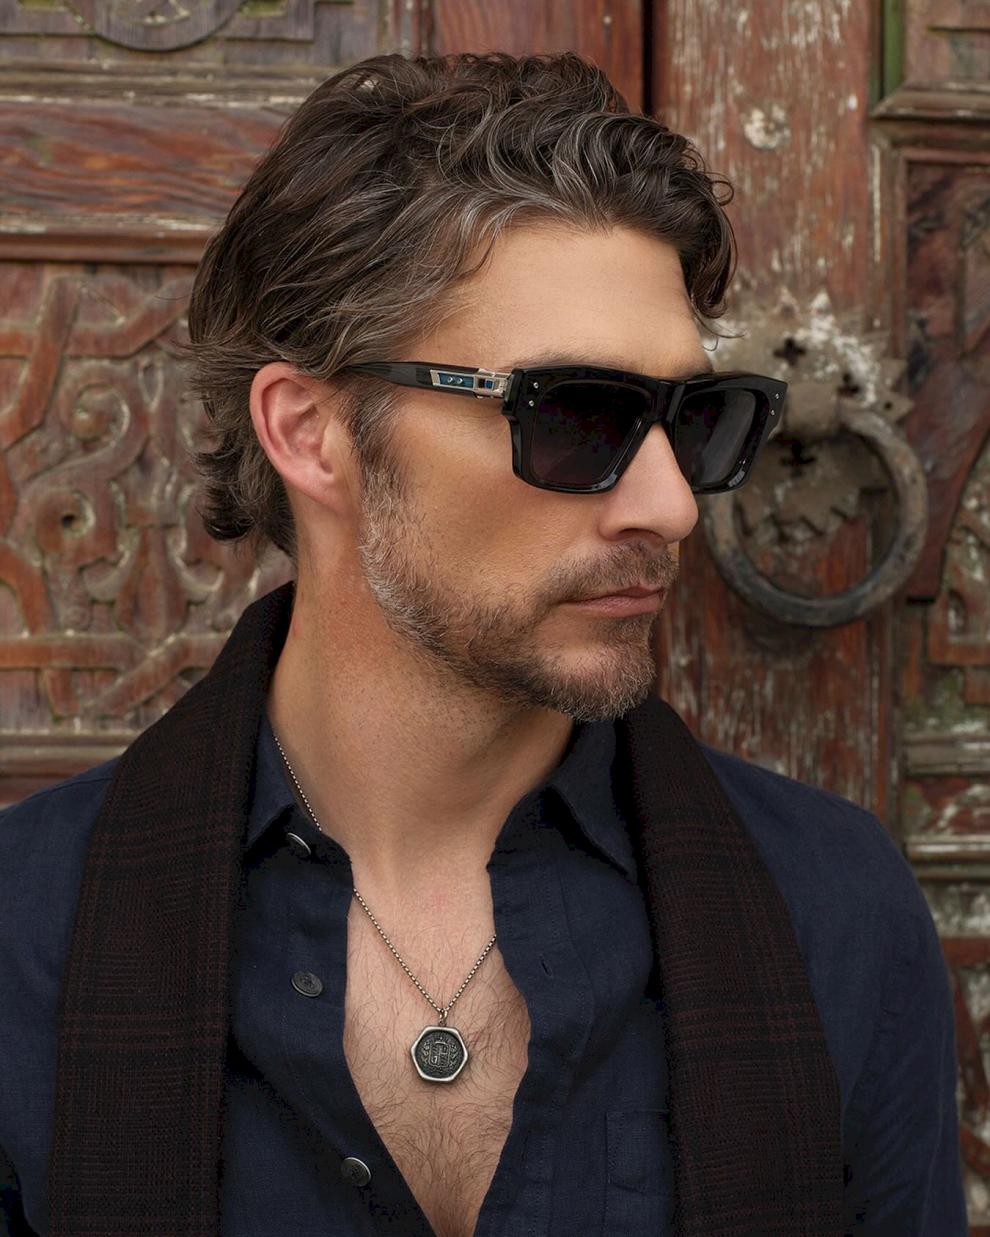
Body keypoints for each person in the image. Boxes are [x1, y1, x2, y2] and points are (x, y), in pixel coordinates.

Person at [0, 50, 965, 1237]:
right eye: (580, 416)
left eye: (695, 420)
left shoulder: (835, 909)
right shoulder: (26, 930)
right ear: (310, 432)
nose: (671, 505)